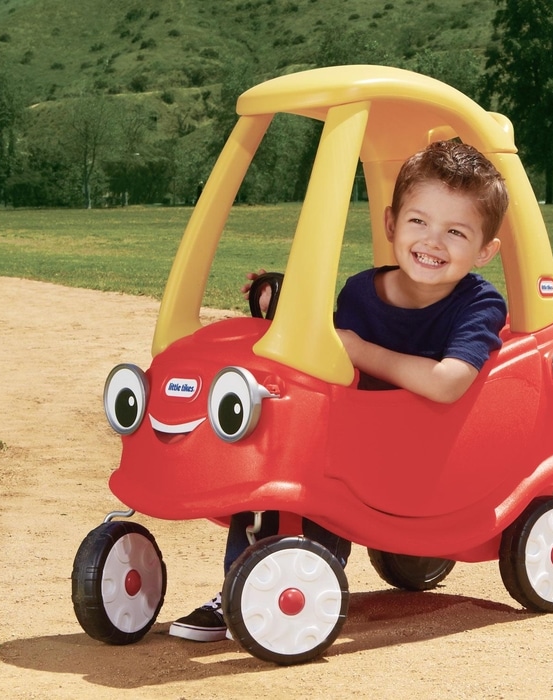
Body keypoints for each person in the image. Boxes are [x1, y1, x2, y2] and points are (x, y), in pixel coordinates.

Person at [169, 140, 509, 642]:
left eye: (455, 231)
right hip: (356, 434)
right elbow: (327, 359)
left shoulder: (479, 305)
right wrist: (282, 305)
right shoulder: (359, 292)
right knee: (278, 454)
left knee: (322, 479)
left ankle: (294, 586)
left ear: (485, 250)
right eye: (419, 222)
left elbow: (448, 383)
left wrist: (358, 349)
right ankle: (241, 582)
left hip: (423, 452)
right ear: (392, 224)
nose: (432, 242)